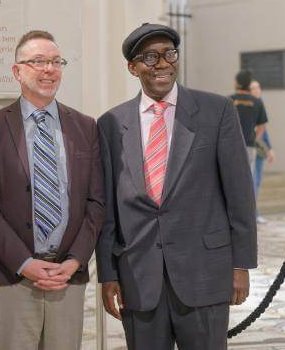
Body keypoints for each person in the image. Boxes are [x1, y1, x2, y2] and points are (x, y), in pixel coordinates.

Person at [96, 23, 257, 350]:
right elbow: (108, 207)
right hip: (138, 278)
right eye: (150, 57)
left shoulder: (216, 111)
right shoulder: (111, 123)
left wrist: (241, 265)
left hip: (204, 273)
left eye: (169, 54)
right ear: (133, 67)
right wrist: (108, 274)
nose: (163, 64)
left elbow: (240, 194)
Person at [0, 30, 105, 350]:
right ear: (17, 71)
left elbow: (96, 203)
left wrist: (74, 262)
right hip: (13, 277)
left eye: (56, 62)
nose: (49, 69)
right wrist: (25, 263)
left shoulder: (85, 126)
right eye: (38, 61)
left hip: (66, 278)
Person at [231, 70, 268, 224]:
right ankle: (248, 215)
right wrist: (254, 138)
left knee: (231, 179)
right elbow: (262, 127)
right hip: (249, 147)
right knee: (248, 181)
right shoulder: (257, 102)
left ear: (237, 83)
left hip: (231, 146)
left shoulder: (228, 100)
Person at [249, 79, 275, 223]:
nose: (257, 90)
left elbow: (264, 130)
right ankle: (253, 214)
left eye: (258, 87)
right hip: (250, 148)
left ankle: (255, 212)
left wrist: (269, 149)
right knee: (252, 182)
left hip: (259, 149)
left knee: (257, 181)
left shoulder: (260, 103)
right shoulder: (250, 105)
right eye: (253, 88)